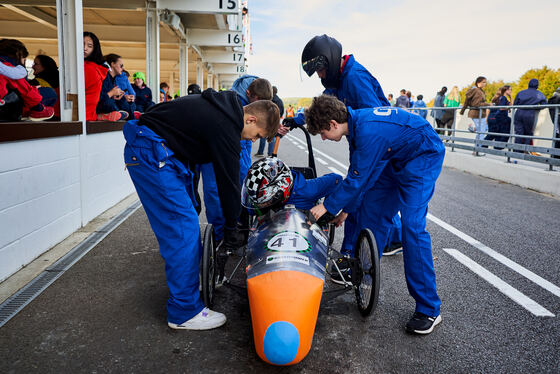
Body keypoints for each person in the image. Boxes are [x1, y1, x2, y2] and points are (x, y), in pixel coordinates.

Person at [123, 89, 280, 330]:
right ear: (250, 119)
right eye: (255, 135)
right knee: (182, 227)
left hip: (160, 150)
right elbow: (228, 183)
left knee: (186, 220)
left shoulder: (219, 110)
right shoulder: (227, 126)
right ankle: (183, 312)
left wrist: (194, 195)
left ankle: (187, 284)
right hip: (151, 151)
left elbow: (183, 137)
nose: (251, 141)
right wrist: (230, 228)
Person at [306, 94, 445, 335]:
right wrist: (347, 210)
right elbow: (362, 175)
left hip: (422, 156)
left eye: (323, 133)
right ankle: (365, 273)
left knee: (412, 226)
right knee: (372, 212)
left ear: (332, 124)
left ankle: (429, 308)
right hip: (395, 156)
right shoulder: (356, 127)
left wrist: (327, 206)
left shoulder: (369, 133)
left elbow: (356, 181)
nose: (323, 138)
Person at [297, 34, 402, 266]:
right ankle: (395, 238)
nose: (320, 76)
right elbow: (321, 105)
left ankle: (349, 256)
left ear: (330, 62)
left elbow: (377, 125)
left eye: (320, 71)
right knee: (370, 195)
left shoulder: (355, 79)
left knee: (361, 195)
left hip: (379, 147)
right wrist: (296, 119)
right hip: (365, 143)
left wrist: (341, 206)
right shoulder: (339, 81)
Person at [199, 76, 273, 242]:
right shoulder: (233, 107)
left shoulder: (253, 95)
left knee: (239, 187)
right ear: (249, 94)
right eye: (257, 101)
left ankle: (236, 227)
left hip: (234, 151)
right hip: (215, 149)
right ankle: (219, 236)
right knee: (216, 190)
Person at [242, 157, 342, 215]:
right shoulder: (258, 193)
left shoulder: (308, 189)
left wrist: (326, 208)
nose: (259, 205)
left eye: (263, 202)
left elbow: (337, 179)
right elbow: (251, 210)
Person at [0, 39, 55, 121]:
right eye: (24, 59)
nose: (32, 66)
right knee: (50, 93)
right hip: (6, 106)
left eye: (35, 64)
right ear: (18, 55)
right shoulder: (10, 68)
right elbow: (24, 88)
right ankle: (36, 111)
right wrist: (37, 107)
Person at [96, 53, 137, 121]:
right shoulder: (105, 77)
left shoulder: (113, 79)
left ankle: (122, 115)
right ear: (113, 64)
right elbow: (99, 98)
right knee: (112, 103)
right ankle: (109, 115)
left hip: (108, 103)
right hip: (100, 106)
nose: (123, 68)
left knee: (126, 102)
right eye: (121, 65)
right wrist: (111, 93)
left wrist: (116, 96)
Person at [460, 76, 491, 154]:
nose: (485, 84)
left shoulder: (475, 90)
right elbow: (476, 104)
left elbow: (467, 102)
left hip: (476, 113)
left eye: (485, 82)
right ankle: (478, 150)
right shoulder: (477, 91)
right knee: (481, 132)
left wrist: (462, 110)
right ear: (478, 83)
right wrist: (488, 104)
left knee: (481, 131)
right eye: (483, 82)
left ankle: (476, 149)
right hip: (477, 113)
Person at [513, 79, 547, 148]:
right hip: (530, 113)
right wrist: (536, 108)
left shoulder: (521, 92)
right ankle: (526, 150)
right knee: (528, 133)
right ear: (537, 85)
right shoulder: (539, 94)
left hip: (519, 112)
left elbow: (515, 104)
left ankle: (517, 151)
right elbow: (545, 105)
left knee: (518, 133)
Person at [83, 31, 108, 121]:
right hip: (89, 115)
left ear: (95, 49)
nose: (85, 48)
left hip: (79, 115)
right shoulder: (96, 68)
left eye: (89, 46)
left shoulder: (88, 68)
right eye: (82, 44)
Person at [256, 85, 284, 157]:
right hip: (275, 121)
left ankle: (260, 152)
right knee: (272, 137)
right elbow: (282, 111)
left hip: (266, 120)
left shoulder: (268, 100)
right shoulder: (280, 101)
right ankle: (270, 153)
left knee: (263, 136)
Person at [548, 87, 560, 158]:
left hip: (556, 121)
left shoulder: (551, 99)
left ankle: (554, 157)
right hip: (558, 120)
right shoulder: (557, 99)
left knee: (556, 138)